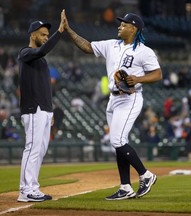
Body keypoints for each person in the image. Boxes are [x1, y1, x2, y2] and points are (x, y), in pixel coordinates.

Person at [63, 11, 162, 200]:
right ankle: (125, 187)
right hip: (113, 99)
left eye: (124, 24)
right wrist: (68, 30)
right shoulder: (111, 45)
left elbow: (157, 74)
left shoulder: (144, 51)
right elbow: (87, 47)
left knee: (117, 140)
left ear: (133, 28)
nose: (120, 26)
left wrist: (138, 78)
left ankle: (146, 175)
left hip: (129, 99)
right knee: (117, 142)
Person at [17, 10, 65, 202]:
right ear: (32, 35)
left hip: (44, 109)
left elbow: (45, 87)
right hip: (33, 108)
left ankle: (33, 188)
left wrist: (50, 109)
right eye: (43, 34)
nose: (45, 37)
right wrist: (59, 32)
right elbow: (41, 50)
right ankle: (25, 190)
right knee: (33, 148)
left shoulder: (40, 59)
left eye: (48, 34)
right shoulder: (26, 53)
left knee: (40, 150)